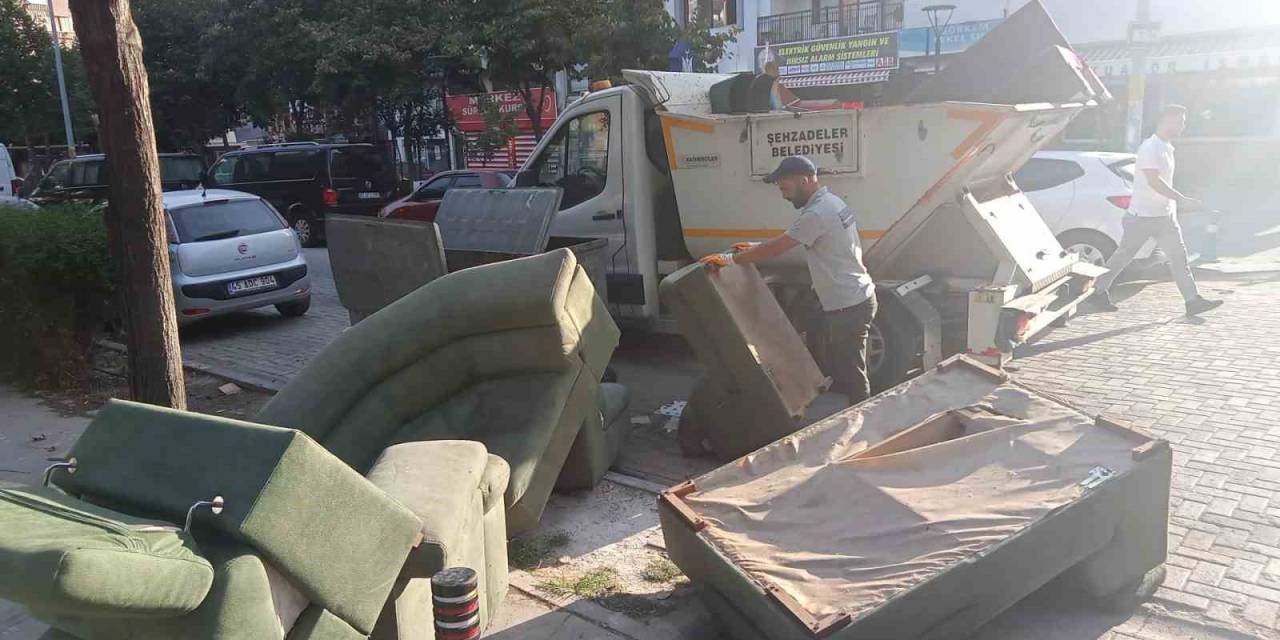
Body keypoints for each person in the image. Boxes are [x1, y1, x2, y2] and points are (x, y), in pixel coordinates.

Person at [700, 156, 877, 405]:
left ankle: (863, 422)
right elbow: (789, 240)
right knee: (834, 355)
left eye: (786, 188)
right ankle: (827, 399)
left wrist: (727, 260)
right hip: (851, 296)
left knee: (852, 371)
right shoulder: (831, 202)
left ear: (804, 180)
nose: (785, 196)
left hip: (848, 303)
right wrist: (752, 246)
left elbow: (776, 250)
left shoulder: (817, 213)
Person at [1091, 104, 1222, 316]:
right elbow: (1154, 181)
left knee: (1179, 258)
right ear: (1166, 120)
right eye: (1180, 121)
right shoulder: (1150, 148)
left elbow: (1162, 182)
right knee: (1123, 257)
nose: (1183, 125)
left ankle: (1192, 301)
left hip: (1165, 217)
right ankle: (1096, 291)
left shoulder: (1167, 147)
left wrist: (1174, 204)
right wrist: (1181, 199)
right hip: (1142, 217)